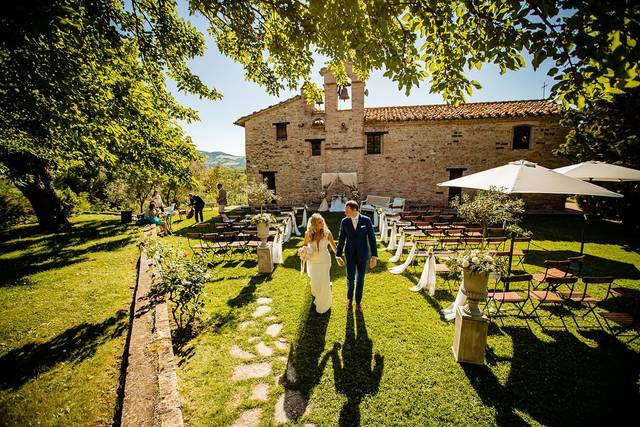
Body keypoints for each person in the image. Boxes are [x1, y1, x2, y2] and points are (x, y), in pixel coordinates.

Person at [335, 200, 378, 312]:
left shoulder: (366, 220)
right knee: (350, 278)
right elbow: (341, 239)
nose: (345, 213)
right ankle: (349, 299)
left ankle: (358, 302)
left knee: (360, 279)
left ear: (355, 209)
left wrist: (374, 256)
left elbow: (372, 238)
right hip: (349, 254)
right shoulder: (344, 221)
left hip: (362, 254)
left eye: (347, 210)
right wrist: (338, 255)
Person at [303, 213, 338, 314]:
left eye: (322, 221)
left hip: (324, 261)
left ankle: (324, 304)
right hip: (313, 262)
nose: (322, 223)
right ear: (314, 224)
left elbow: (334, 247)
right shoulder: (308, 234)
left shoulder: (327, 233)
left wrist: (338, 257)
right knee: (315, 282)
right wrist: (303, 252)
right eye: (319, 222)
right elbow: (304, 246)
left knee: (324, 281)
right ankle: (317, 294)